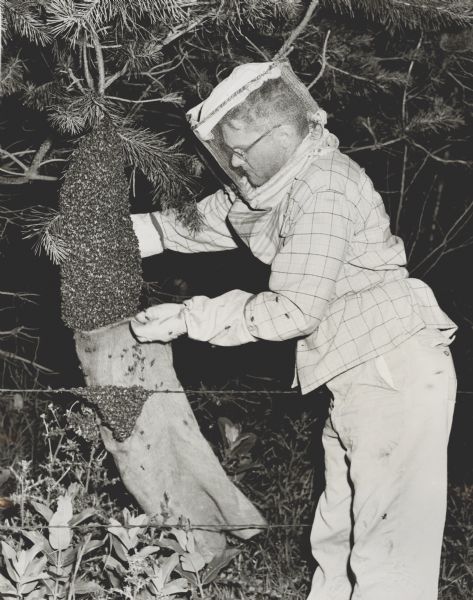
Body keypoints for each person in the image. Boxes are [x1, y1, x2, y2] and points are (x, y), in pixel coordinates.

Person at [130, 61, 457, 600]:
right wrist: (120, 235)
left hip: (392, 370)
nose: (233, 161)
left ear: (283, 132)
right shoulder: (281, 192)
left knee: (389, 551)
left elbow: (294, 310)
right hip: (356, 374)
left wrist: (189, 317)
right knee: (338, 536)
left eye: (241, 147)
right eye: (225, 149)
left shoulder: (324, 185)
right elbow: (200, 221)